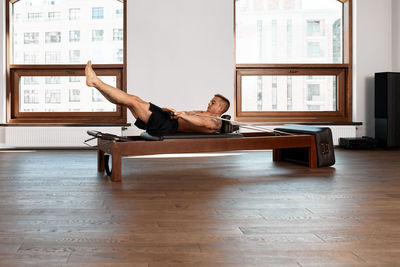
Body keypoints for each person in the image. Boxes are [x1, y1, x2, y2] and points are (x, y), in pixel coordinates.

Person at [85, 61, 230, 135]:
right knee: (131, 101)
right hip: (166, 118)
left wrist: (182, 115)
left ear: (221, 108)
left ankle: (96, 82)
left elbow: (201, 122)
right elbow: (193, 117)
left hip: (168, 125)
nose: (209, 103)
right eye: (211, 100)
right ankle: (96, 84)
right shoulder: (206, 113)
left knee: (132, 101)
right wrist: (173, 112)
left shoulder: (216, 122)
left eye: (213, 102)